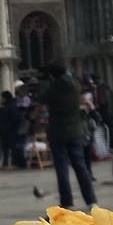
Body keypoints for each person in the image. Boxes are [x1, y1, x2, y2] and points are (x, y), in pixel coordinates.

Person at [43, 62, 97, 209]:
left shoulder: (52, 89)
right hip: (75, 131)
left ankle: (67, 202)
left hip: (58, 132)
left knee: (62, 169)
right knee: (80, 166)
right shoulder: (75, 86)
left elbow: (43, 98)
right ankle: (91, 200)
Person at [0, 91, 20, 171]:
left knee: (12, 147)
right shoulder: (4, 106)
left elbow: (15, 119)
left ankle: (14, 163)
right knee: (5, 148)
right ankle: (5, 163)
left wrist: (9, 127)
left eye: (1, 97)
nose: (0, 99)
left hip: (10, 131)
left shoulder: (12, 106)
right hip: (4, 131)